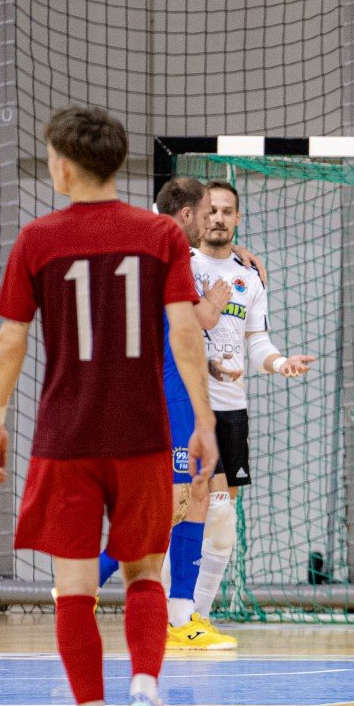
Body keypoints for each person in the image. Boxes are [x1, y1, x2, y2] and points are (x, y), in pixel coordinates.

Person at [0, 105, 217, 706]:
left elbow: (10, 340)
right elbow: (185, 331)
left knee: (75, 588)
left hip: (66, 437)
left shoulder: (38, 238)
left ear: (61, 163)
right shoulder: (159, 236)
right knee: (145, 572)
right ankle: (145, 690)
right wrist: (201, 420)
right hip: (142, 433)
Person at [94, 176, 238, 650]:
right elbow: (189, 320)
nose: (209, 221)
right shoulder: (166, 252)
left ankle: (180, 614)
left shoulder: (137, 241)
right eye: (204, 212)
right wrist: (212, 307)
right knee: (170, 505)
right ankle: (90, 583)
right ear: (186, 216)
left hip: (141, 389)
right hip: (162, 394)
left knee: (191, 496)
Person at [189, 179, 315, 640]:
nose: (219, 218)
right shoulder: (181, 264)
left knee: (222, 516)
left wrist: (281, 363)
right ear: (199, 216)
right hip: (186, 406)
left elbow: (256, 341)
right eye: (212, 211)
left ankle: (195, 617)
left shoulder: (250, 276)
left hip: (232, 411)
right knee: (186, 508)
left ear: (237, 218)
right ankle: (168, 612)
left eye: (227, 211)